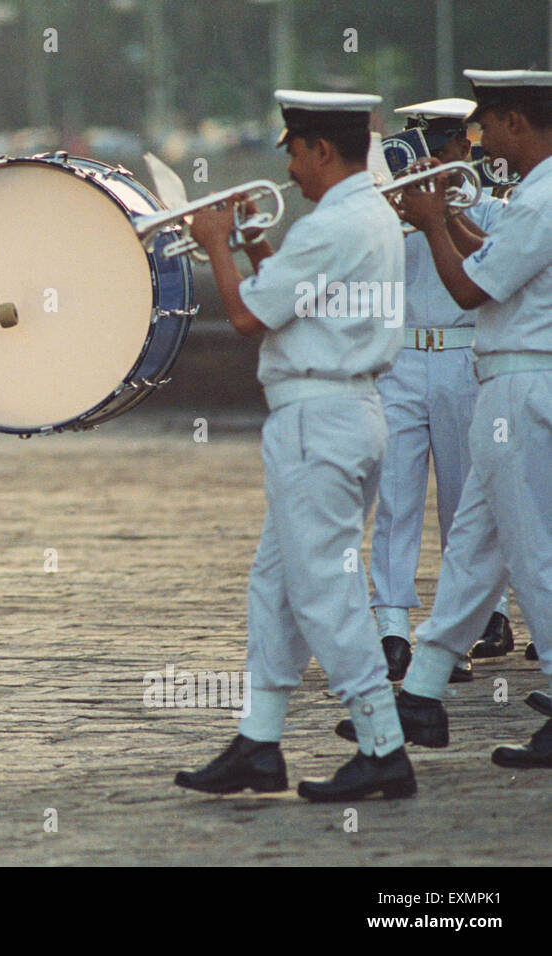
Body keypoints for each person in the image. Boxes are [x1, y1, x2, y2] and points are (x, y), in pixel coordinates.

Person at [174, 91, 413, 801]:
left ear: (320, 150)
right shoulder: (368, 215)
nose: (289, 166)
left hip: (318, 420)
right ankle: (259, 739)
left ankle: (381, 742)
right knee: (276, 587)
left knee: (323, 588)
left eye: (294, 150)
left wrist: (214, 243)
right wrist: (249, 243)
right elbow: (298, 296)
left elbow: (247, 316)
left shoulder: (330, 225)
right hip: (349, 411)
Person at [357, 70, 552, 769]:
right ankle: (424, 692)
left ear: (519, 126)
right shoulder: (534, 195)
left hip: (521, 382)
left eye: (489, 124)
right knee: (472, 549)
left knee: (531, 554)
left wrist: (434, 222)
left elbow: (470, 286)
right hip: (510, 379)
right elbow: (491, 259)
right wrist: (444, 218)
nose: (479, 139)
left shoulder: (538, 199)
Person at [369, 98, 511, 685]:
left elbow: (492, 263)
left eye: (443, 147)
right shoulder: (391, 207)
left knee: (465, 502)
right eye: (422, 148)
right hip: (401, 357)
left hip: (462, 357)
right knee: (396, 497)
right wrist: (390, 206)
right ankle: (393, 630)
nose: (431, 158)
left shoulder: (497, 210)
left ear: (465, 149)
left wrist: (444, 212)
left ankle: (474, 624)